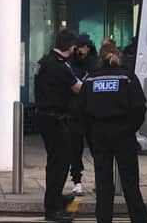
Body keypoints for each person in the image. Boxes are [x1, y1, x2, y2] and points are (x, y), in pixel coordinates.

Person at [78, 42, 147, 223]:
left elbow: (80, 110)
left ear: (100, 58)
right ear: (117, 55)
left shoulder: (91, 79)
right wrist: (130, 128)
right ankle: (139, 218)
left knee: (103, 182)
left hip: (99, 134)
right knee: (130, 181)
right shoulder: (127, 77)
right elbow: (140, 107)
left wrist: (92, 132)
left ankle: (103, 219)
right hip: (123, 133)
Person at [34, 29, 82, 222]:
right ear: (71, 47)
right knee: (59, 164)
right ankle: (52, 208)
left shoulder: (45, 61)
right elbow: (79, 89)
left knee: (55, 161)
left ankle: (55, 199)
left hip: (45, 117)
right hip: (56, 120)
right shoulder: (59, 66)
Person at [68, 33, 99, 196]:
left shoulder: (94, 62)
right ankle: (77, 181)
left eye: (87, 46)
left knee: (97, 148)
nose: (84, 49)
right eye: (82, 47)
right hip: (75, 111)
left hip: (91, 111)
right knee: (75, 148)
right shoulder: (72, 63)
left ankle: (98, 180)